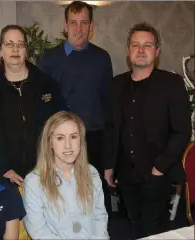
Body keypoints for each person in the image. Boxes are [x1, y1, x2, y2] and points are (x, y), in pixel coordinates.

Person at [104, 22, 192, 239]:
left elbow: (182, 131)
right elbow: (112, 128)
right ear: (128, 51)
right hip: (126, 175)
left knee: (154, 230)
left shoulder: (172, 84)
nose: (141, 50)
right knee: (134, 226)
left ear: (157, 51)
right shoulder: (116, 85)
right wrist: (109, 165)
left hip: (157, 175)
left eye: (147, 45)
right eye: (135, 45)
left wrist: (159, 168)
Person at [0, 24, 67, 184]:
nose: (15, 49)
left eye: (20, 44)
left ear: (26, 51)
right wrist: (1, 168)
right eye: (9, 44)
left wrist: (52, 163)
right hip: (5, 177)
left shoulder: (47, 85)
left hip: (46, 173)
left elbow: (63, 126)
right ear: (0, 51)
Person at [38, 1, 113, 177]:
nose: (78, 28)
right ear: (65, 25)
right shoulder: (48, 59)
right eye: (73, 22)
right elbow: (41, 104)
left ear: (91, 26)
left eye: (84, 22)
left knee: (94, 195)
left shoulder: (102, 58)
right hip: (60, 141)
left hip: (93, 140)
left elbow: (108, 104)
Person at [23, 111, 109, 239]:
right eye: (60, 138)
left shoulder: (92, 173)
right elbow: (39, 232)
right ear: (50, 142)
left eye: (73, 137)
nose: (68, 145)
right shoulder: (34, 182)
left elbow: (100, 216)